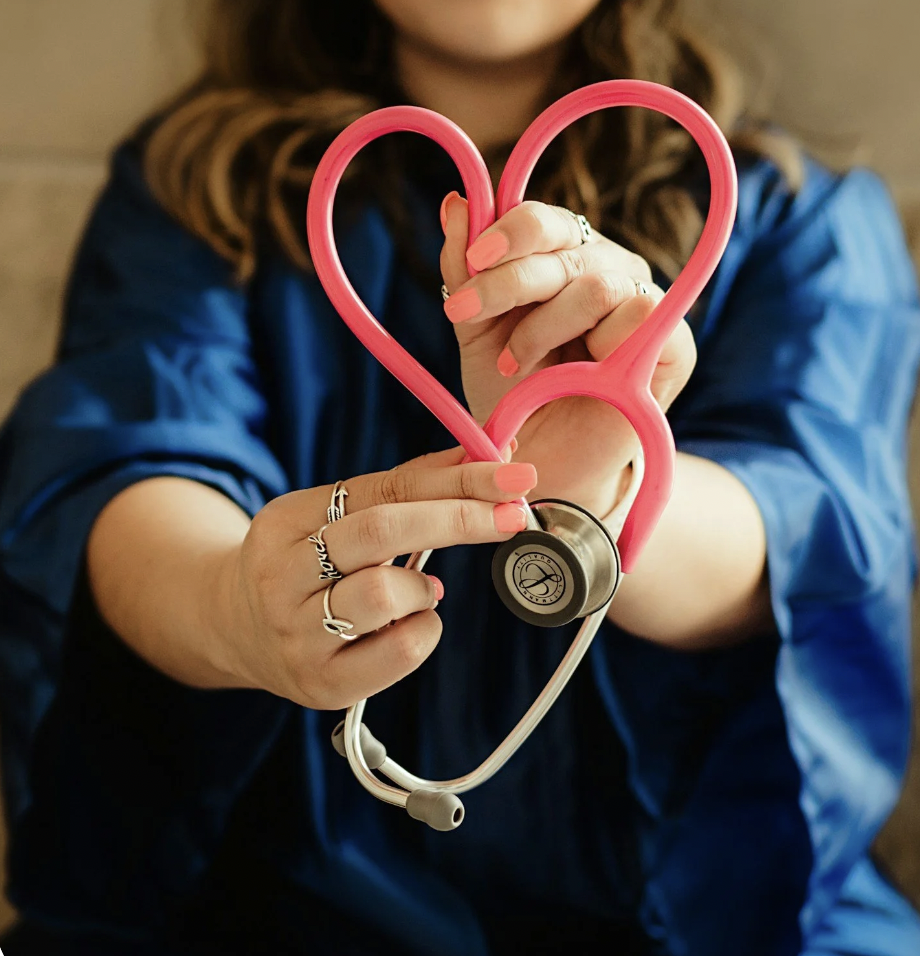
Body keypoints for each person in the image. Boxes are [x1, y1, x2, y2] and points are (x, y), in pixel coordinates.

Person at [0, 0, 918, 953]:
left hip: (705, 915)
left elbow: (807, 528)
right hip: (265, 898)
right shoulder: (195, 188)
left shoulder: (797, 217)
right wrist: (231, 607)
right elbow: (122, 461)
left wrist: (595, 498)